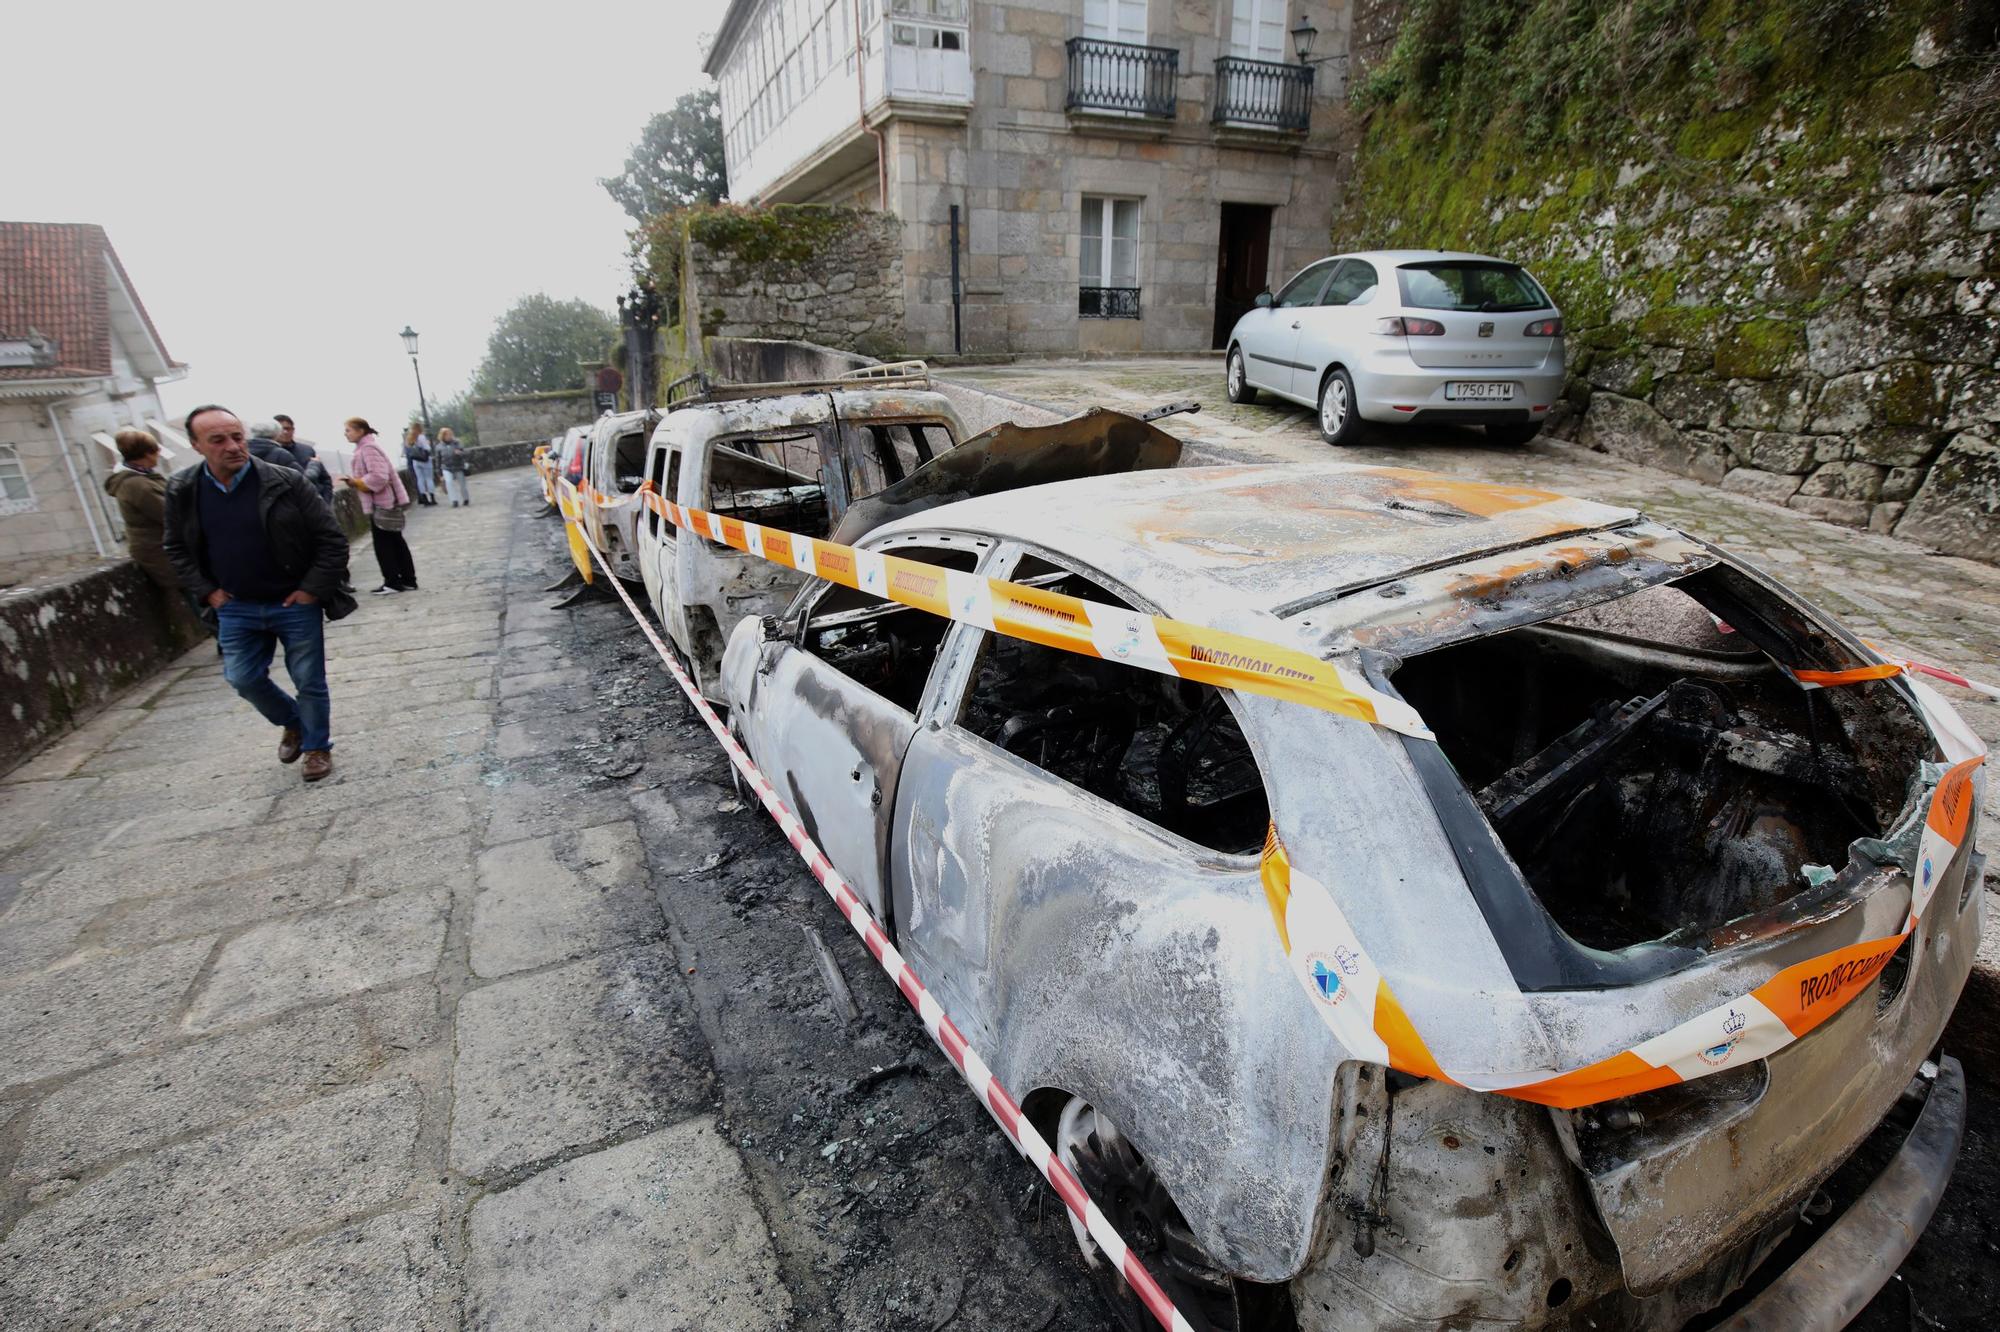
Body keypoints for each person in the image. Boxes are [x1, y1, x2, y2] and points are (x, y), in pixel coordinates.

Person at [163, 405, 353, 782]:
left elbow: (330, 538)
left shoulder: (285, 480)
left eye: (237, 437)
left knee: (308, 679)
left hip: (293, 601)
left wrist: (311, 590)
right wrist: (208, 592)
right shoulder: (183, 488)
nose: (233, 446)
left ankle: (316, 748)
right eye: (218, 440)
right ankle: (293, 722)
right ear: (196, 445)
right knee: (243, 678)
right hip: (235, 604)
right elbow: (176, 548)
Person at [345, 417, 418, 593]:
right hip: (386, 502)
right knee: (395, 541)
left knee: (384, 544)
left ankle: (393, 581)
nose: (346, 434)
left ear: (360, 431)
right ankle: (407, 579)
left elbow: (379, 476)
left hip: (382, 503)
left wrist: (357, 483)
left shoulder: (368, 449)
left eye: (348, 430)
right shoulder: (367, 447)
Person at [275, 414, 334, 507]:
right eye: (282, 429)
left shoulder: (307, 450)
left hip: (317, 505)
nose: (285, 432)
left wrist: (325, 502)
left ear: (293, 430)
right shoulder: (271, 454)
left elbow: (325, 479)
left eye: (288, 428)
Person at [436, 427, 470, 507]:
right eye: (447, 435)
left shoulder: (457, 443)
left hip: (458, 466)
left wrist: (460, 453)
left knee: (462, 484)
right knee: (449, 483)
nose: (449, 436)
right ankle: (454, 500)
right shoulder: (439, 446)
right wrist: (439, 473)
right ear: (443, 436)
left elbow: (465, 454)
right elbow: (438, 460)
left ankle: (465, 498)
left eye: (450, 434)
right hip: (446, 467)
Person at [405, 422, 437, 506]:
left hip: (416, 461)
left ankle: (424, 499)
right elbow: (427, 448)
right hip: (425, 460)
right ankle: (432, 498)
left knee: (420, 480)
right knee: (429, 479)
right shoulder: (421, 437)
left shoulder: (410, 438)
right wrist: (428, 444)